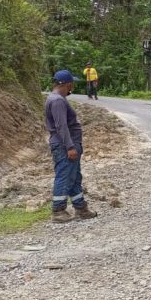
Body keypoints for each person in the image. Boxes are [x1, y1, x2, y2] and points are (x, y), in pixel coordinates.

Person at [46, 70, 97, 223]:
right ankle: (58, 210)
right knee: (64, 176)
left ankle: (80, 208)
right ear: (67, 84)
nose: (72, 87)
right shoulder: (57, 101)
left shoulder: (56, 99)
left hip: (68, 144)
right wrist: (70, 146)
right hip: (64, 146)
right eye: (71, 84)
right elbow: (61, 126)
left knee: (74, 177)